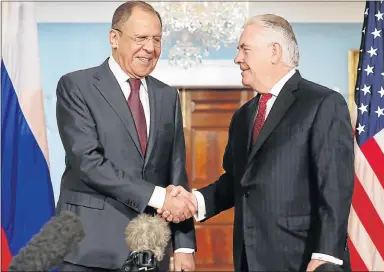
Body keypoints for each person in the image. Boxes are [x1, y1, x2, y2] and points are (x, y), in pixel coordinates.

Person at [158, 14, 354, 272]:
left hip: (304, 259)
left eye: (244, 49)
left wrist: (325, 256)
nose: (237, 58)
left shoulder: (322, 103)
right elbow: (236, 181)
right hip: (249, 260)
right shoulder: (243, 115)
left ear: (274, 52)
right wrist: (195, 202)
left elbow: (334, 187)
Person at [55, 1, 196, 271]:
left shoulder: (167, 96)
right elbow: (87, 162)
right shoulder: (76, 86)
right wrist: (160, 198)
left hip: (150, 251)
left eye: (156, 39)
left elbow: (176, 173)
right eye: (141, 38)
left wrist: (184, 245)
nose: (150, 48)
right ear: (114, 38)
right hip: (88, 249)